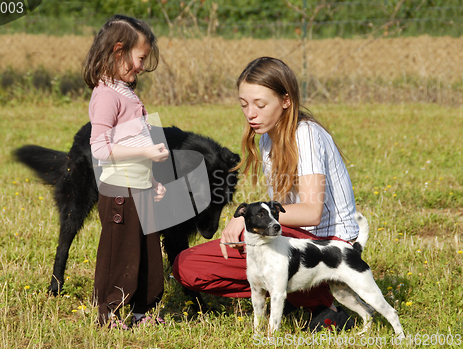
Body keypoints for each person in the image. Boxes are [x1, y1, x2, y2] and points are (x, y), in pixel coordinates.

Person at [172, 57, 360, 332]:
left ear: (286, 100)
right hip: (287, 236)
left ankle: (323, 304)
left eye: (260, 105)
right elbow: (281, 206)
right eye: (244, 104)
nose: (251, 113)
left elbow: (310, 212)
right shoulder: (266, 137)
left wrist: (242, 220)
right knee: (186, 267)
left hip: (328, 245)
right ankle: (291, 292)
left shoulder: (305, 134)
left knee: (211, 255)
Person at [83, 15, 169, 329]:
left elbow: (133, 140)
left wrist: (153, 180)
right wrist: (146, 152)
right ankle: (109, 312)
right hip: (120, 191)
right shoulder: (106, 94)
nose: (143, 66)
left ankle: (142, 310)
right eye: (140, 58)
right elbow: (100, 149)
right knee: (121, 253)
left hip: (140, 186)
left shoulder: (126, 92)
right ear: (119, 52)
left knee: (147, 254)